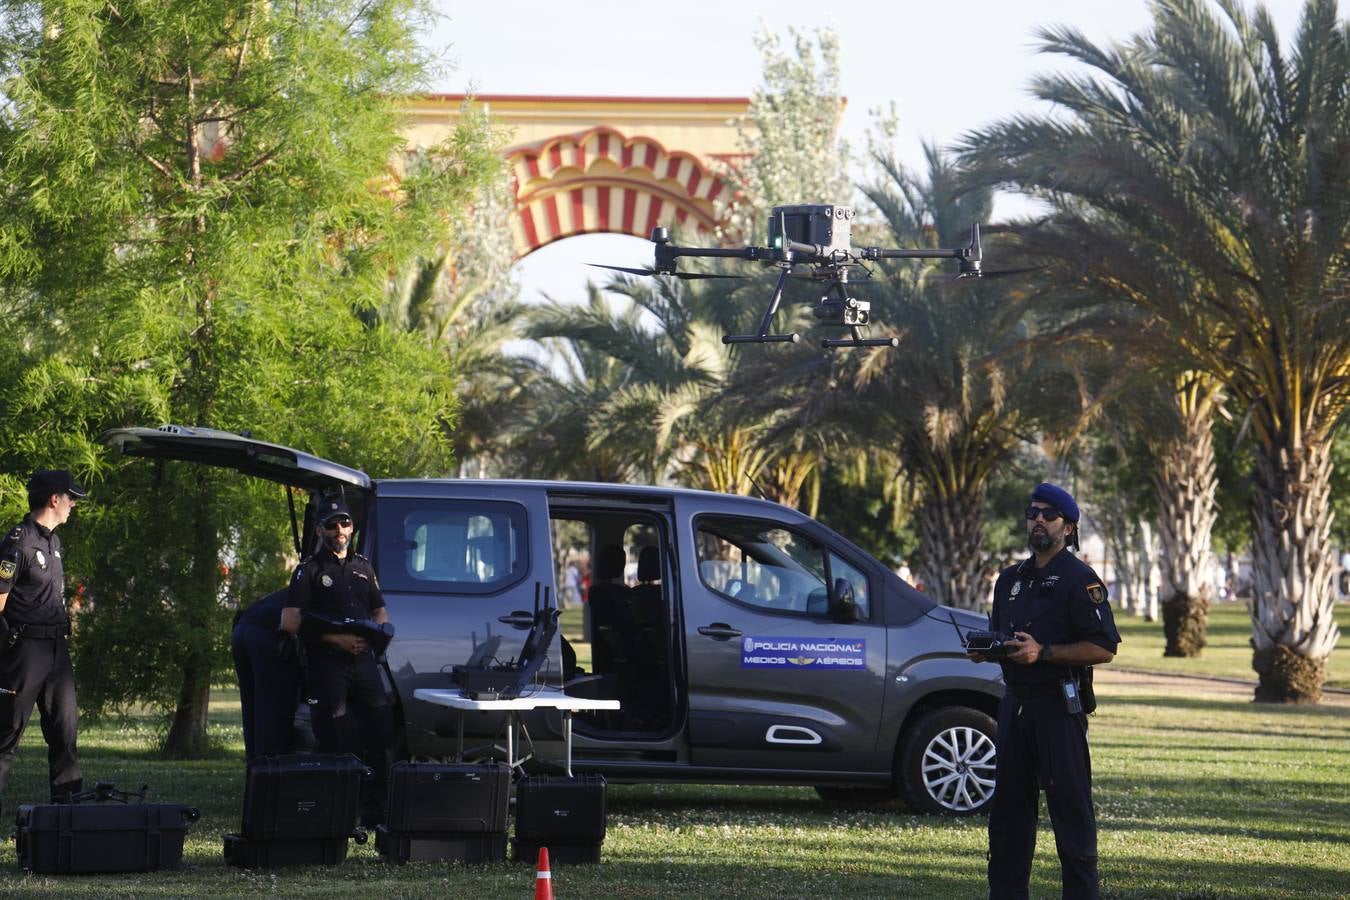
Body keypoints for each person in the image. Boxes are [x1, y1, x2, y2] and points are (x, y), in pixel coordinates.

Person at [969, 482, 1121, 900]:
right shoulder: (1009, 580)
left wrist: (1045, 652)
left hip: (1058, 707)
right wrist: (992, 649)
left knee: (1071, 814)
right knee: (1008, 817)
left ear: (1067, 528)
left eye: (1048, 515)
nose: (1038, 520)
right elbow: (1006, 636)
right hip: (1015, 707)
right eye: (1032, 512)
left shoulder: (1080, 579)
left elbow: (1104, 647)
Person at [281, 495, 393, 824]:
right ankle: (339, 814)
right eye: (331, 524)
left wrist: (375, 632)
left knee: (382, 732)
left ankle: (377, 812)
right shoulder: (310, 571)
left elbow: (379, 608)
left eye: (344, 522)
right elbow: (290, 621)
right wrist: (335, 638)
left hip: (364, 662)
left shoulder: (363, 567)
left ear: (352, 527)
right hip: (328, 665)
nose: (339, 529)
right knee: (336, 738)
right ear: (320, 530)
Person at [0, 470, 87, 806]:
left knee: (65, 735)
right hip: (25, 651)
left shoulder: (53, 541)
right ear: (55, 499)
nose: (73, 506)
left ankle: (67, 822)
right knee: (6, 737)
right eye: (71, 499)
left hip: (56, 651)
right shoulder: (17, 542)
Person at [230, 588, 299, 761]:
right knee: (273, 717)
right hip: (269, 635)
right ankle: (271, 776)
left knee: (252, 713)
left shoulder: (304, 579)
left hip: (243, 628)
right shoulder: (338, 587)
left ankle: (256, 776)